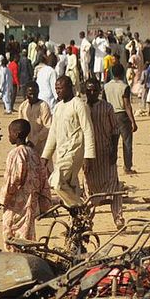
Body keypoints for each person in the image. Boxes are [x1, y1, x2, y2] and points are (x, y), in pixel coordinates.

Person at [0, 119, 52, 251]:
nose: (9, 136)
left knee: (12, 232)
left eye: (10, 133)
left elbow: (14, 179)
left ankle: (15, 261)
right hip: (31, 202)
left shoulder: (16, 154)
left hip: (16, 203)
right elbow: (43, 177)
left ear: (17, 134)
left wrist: (1, 200)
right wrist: (43, 202)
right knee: (27, 231)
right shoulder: (34, 153)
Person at [43, 76, 96, 208]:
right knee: (71, 185)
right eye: (56, 89)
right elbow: (53, 133)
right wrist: (45, 156)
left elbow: (88, 130)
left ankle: (79, 207)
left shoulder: (79, 104)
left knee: (56, 182)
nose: (58, 92)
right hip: (61, 152)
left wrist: (88, 156)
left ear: (69, 87)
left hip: (75, 151)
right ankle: (78, 221)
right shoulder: (58, 107)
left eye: (60, 88)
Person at [82, 78, 124, 229]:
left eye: (95, 90)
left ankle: (118, 218)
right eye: (89, 90)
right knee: (88, 188)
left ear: (99, 91)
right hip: (89, 155)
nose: (92, 93)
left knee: (114, 186)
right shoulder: (81, 107)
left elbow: (115, 130)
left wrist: (114, 150)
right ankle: (86, 220)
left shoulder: (107, 107)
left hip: (106, 153)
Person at [104, 63, 139, 175]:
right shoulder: (124, 87)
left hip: (110, 115)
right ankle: (127, 167)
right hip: (122, 116)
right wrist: (133, 121)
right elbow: (127, 105)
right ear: (123, 73)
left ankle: (111, 166)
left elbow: (103, 102)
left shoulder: (106, 86)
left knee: (112, 143)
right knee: (127, 142)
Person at [18, 81, 52, 153]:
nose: (33, 96)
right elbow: (20, 125)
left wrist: (35, 140)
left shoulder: (44, 106)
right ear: (26, 94)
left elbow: (48, 127)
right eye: (30, 94)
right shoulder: (23, 106)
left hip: (41, 144)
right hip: (27, 144)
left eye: (35, 94)